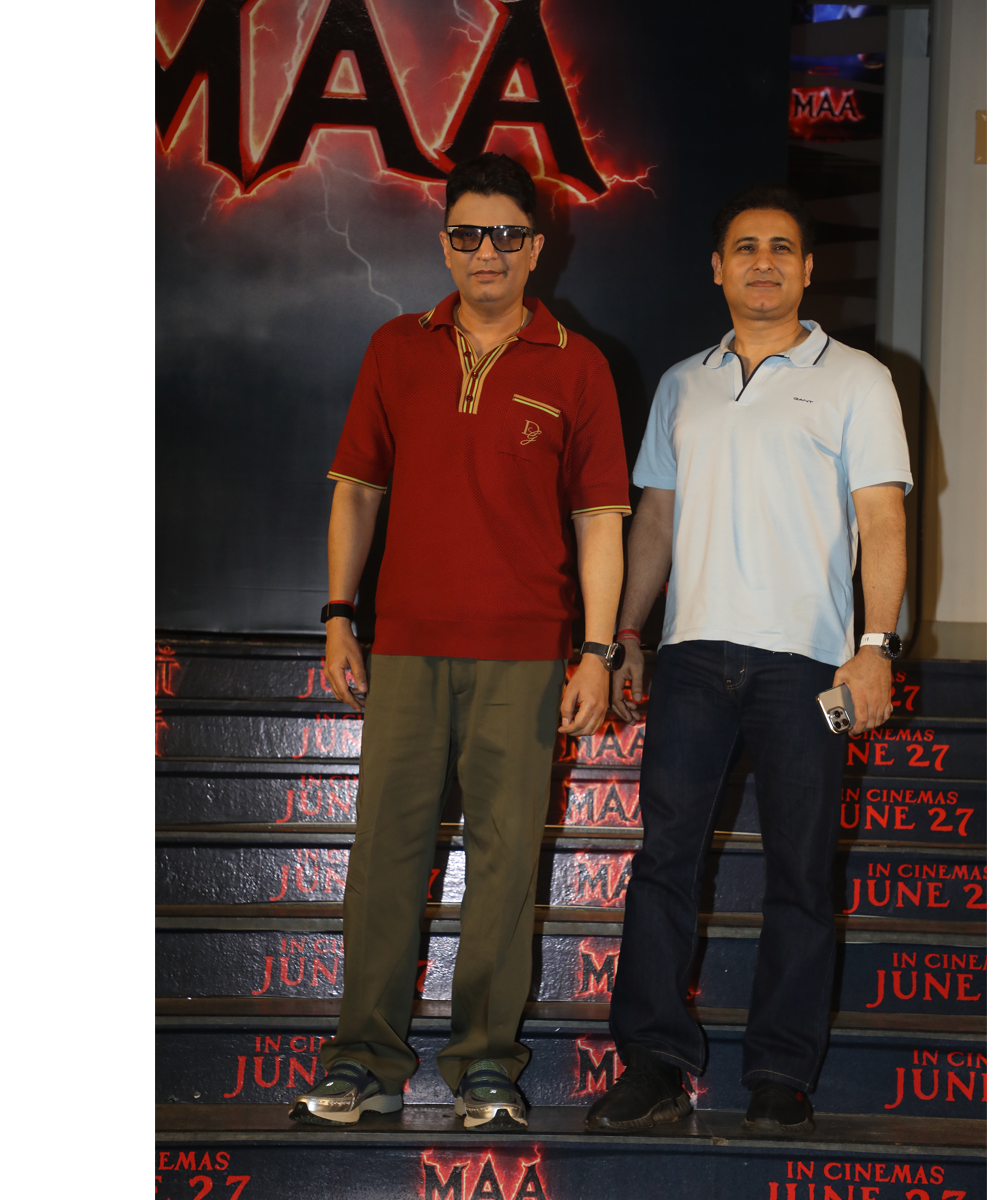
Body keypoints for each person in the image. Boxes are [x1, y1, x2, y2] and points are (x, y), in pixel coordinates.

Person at [288, 153, 631, 1131]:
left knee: (506, 862)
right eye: (470, 234)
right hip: (404, 649)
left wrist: (597, 652)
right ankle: (363, 1061)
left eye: (508, 235)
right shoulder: (396, 348)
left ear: (537, 247)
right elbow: (357, 492)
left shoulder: (578, 364)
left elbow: (600, 521)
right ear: (446, 244)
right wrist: (339, 614)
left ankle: (485, 1064)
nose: (489, 251)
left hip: (524, 655)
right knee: (383, 858)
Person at [584, 184, 912, 1135]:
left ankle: (780, 1074)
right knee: (664, 864)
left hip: (808, 665)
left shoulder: (858, 380)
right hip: (691, 657)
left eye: (780, 247)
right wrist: (628, 634)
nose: (762, 261)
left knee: (802, 875)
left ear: (807, 269)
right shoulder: (682, 383)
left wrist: (876, 647)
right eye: (744, 247)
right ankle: (653, 1060)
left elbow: (883, 520)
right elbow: (655, 519)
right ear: (717, 269)